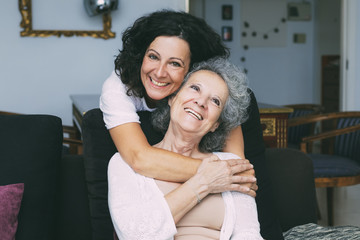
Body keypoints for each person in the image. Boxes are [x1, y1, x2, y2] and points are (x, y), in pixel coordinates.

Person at [100, 10, 283, 239]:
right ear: (174, 97)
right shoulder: (117, 92)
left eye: (175, 63)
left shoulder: (218, 125)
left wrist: (227, 171)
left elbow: (238, 172)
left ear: (190, 69)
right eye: (153, 57)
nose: (159, 72)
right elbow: (139, 158)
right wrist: (209, 178)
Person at [108, 58, 263, 239]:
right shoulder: (124, 164)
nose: (201, 102)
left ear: (216, 124)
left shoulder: (229, 166)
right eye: (195, 88)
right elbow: (134, 235)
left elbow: (249, 234)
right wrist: (203, 183)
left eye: (215, 101)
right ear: (173, 98)